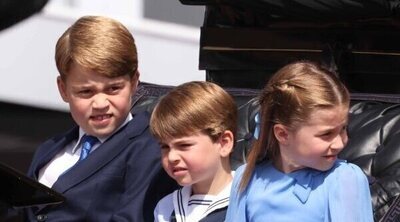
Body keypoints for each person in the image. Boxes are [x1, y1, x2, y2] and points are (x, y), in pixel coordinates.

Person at [24, 15, 176, 221]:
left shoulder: (152, 149)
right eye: (86, 92)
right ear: (63, 89)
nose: (101, 103)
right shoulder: (49, 149)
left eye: (113, 89)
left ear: (134, 82)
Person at [226, 61, 374, 221]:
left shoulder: (344, 179)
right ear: (283, 134)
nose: (339, 143)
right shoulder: (246, 179)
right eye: (326, 134)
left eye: (343, 129)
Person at [150, 81, 237, 222]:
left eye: (184, 145)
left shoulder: (249, 201)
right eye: (165, 147)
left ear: (224, 143)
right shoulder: (166, 208)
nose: (172, 157)